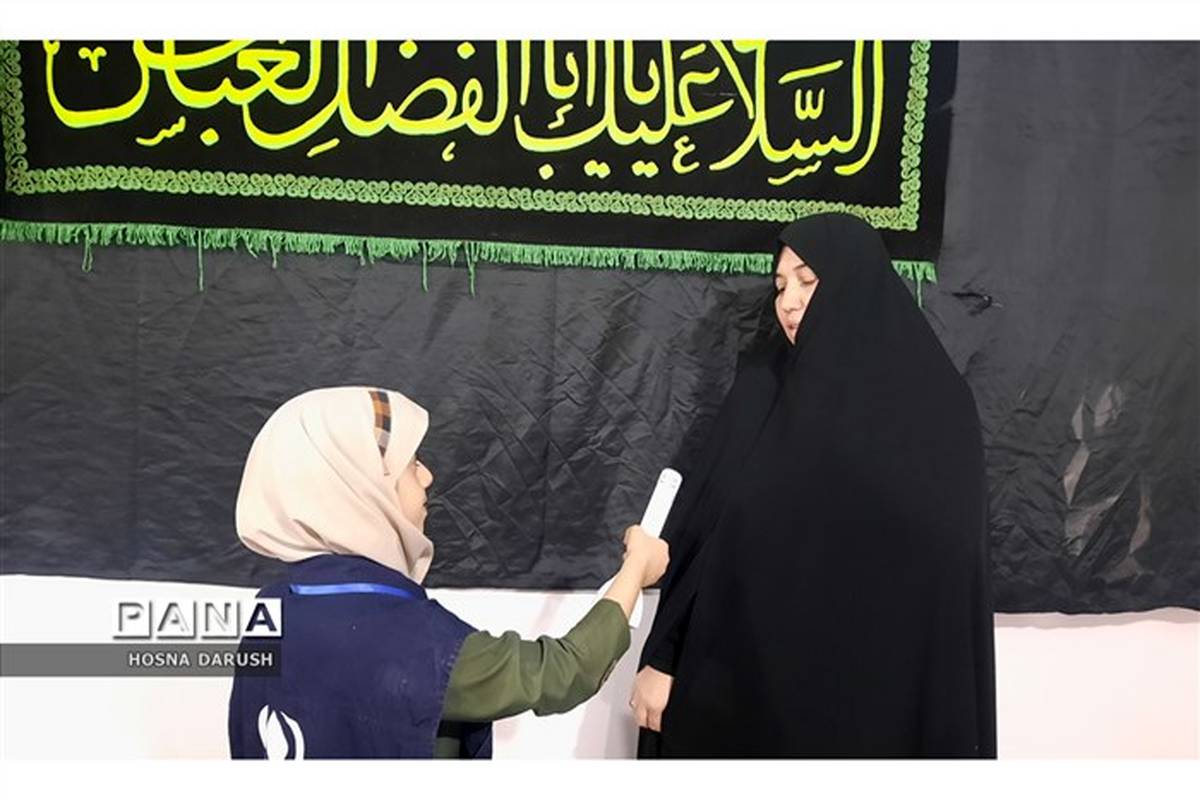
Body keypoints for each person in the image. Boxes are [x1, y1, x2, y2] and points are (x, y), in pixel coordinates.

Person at [631, 213, 997, 758]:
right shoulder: (761, 390)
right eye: (780, 285)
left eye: (807, 280)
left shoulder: (937, 411)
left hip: (879, 708)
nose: (789, 302)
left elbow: (950, 578)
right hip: (745, 691)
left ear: (855, 282)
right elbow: (703, 530)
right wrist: (663, 656)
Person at [227, 385, 668, 759]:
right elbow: (561, 673)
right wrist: (635, 568)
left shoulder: (273, 611)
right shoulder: (412, 641)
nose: (427, 477)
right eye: (410, 464)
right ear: (362, 487)